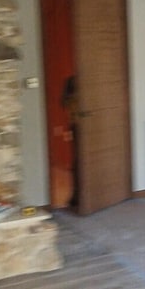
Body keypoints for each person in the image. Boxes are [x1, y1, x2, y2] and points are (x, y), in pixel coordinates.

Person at [61, 75, 79, 208]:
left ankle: (77, 196)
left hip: (77, 126)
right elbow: (65, 104)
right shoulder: (71, 88)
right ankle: (77, 195)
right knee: (78, 162)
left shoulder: (69, 97)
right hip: (77, 127)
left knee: (78, 162)